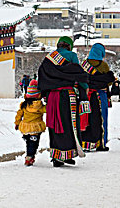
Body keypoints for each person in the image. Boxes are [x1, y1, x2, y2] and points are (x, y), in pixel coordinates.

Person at [37, 36, 89, 167]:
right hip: (67, 96)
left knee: (55, 126)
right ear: (69, 46)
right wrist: (85, 88)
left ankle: (56, 157)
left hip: (51, 97)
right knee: (68, 125)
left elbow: (41, 77)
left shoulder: (49, 58)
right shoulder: (71, 55)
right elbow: (79, 74)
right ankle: (67, 155)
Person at [81, 43, 115, 151]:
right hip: (100, 95)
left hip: (87, 95)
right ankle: (101, 144)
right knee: (101, 120)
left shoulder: (84, 64)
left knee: (87, 119)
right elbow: (109, 81)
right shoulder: (103, 65)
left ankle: (86, 144)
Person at [14, 79, 46, 166]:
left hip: (25, 128)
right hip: (35, 129)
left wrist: (17, 123)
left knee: (28, 143)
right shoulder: (39, 106)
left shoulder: (24, 105)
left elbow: (19, 115)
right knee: (34, 144)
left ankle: (28, 156)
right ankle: (30, 157)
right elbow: (47, 110)